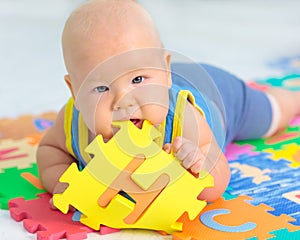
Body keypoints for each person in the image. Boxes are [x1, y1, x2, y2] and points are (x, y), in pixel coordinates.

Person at [37, 0, 300, 206]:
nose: (124, 102)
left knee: (270, 116)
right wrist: (66, 185)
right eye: (102, 88)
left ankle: (293, 98)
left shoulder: (182, 120)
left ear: (165, 72)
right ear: (75, 91)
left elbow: (217, 185)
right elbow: (49, 151)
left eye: (138, 79)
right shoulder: (73, 122)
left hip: (221, 95)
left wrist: (197, 163)